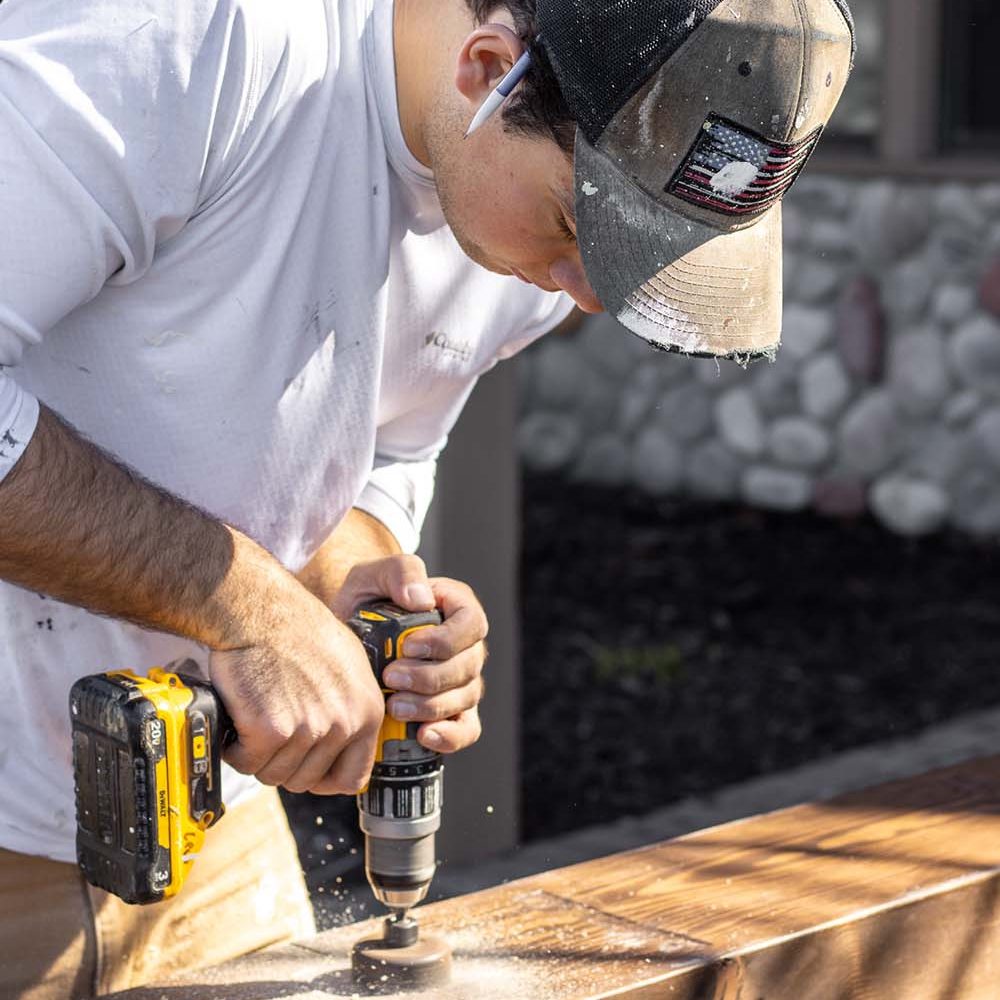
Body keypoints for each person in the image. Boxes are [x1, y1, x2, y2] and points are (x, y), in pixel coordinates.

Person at [0, 0, 854, 995]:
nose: (584, 294)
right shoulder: (190, 46)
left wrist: (356, 580)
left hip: (192, 826)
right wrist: (245, 607)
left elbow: (384, 442)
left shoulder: (507, 228)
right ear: (488, 68)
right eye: (582, 226)